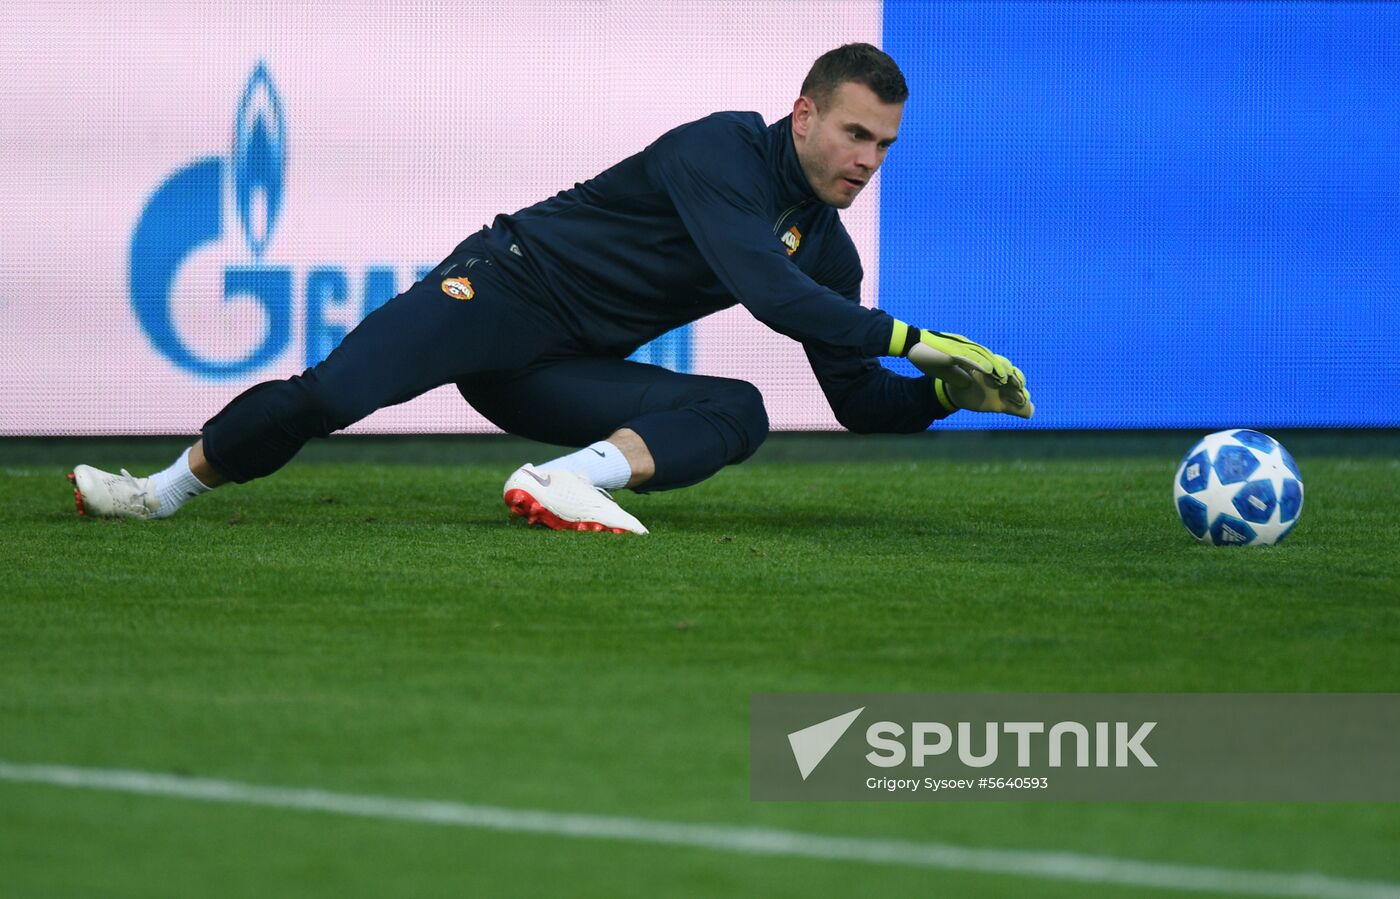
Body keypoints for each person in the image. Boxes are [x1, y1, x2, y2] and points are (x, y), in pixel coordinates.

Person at [69, 43, 1032, 535]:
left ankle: (568, 480)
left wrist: (943, 393)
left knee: (738, 409)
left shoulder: (827, 248)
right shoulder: (721, 151)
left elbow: (860, 404)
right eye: (856, 135)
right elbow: (772, 295)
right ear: (806, 114)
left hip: (557, 367)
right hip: (500, 289)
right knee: (331, 395)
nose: (868, 161)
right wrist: (914, 337)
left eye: (885, 147)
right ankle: (155, 493)